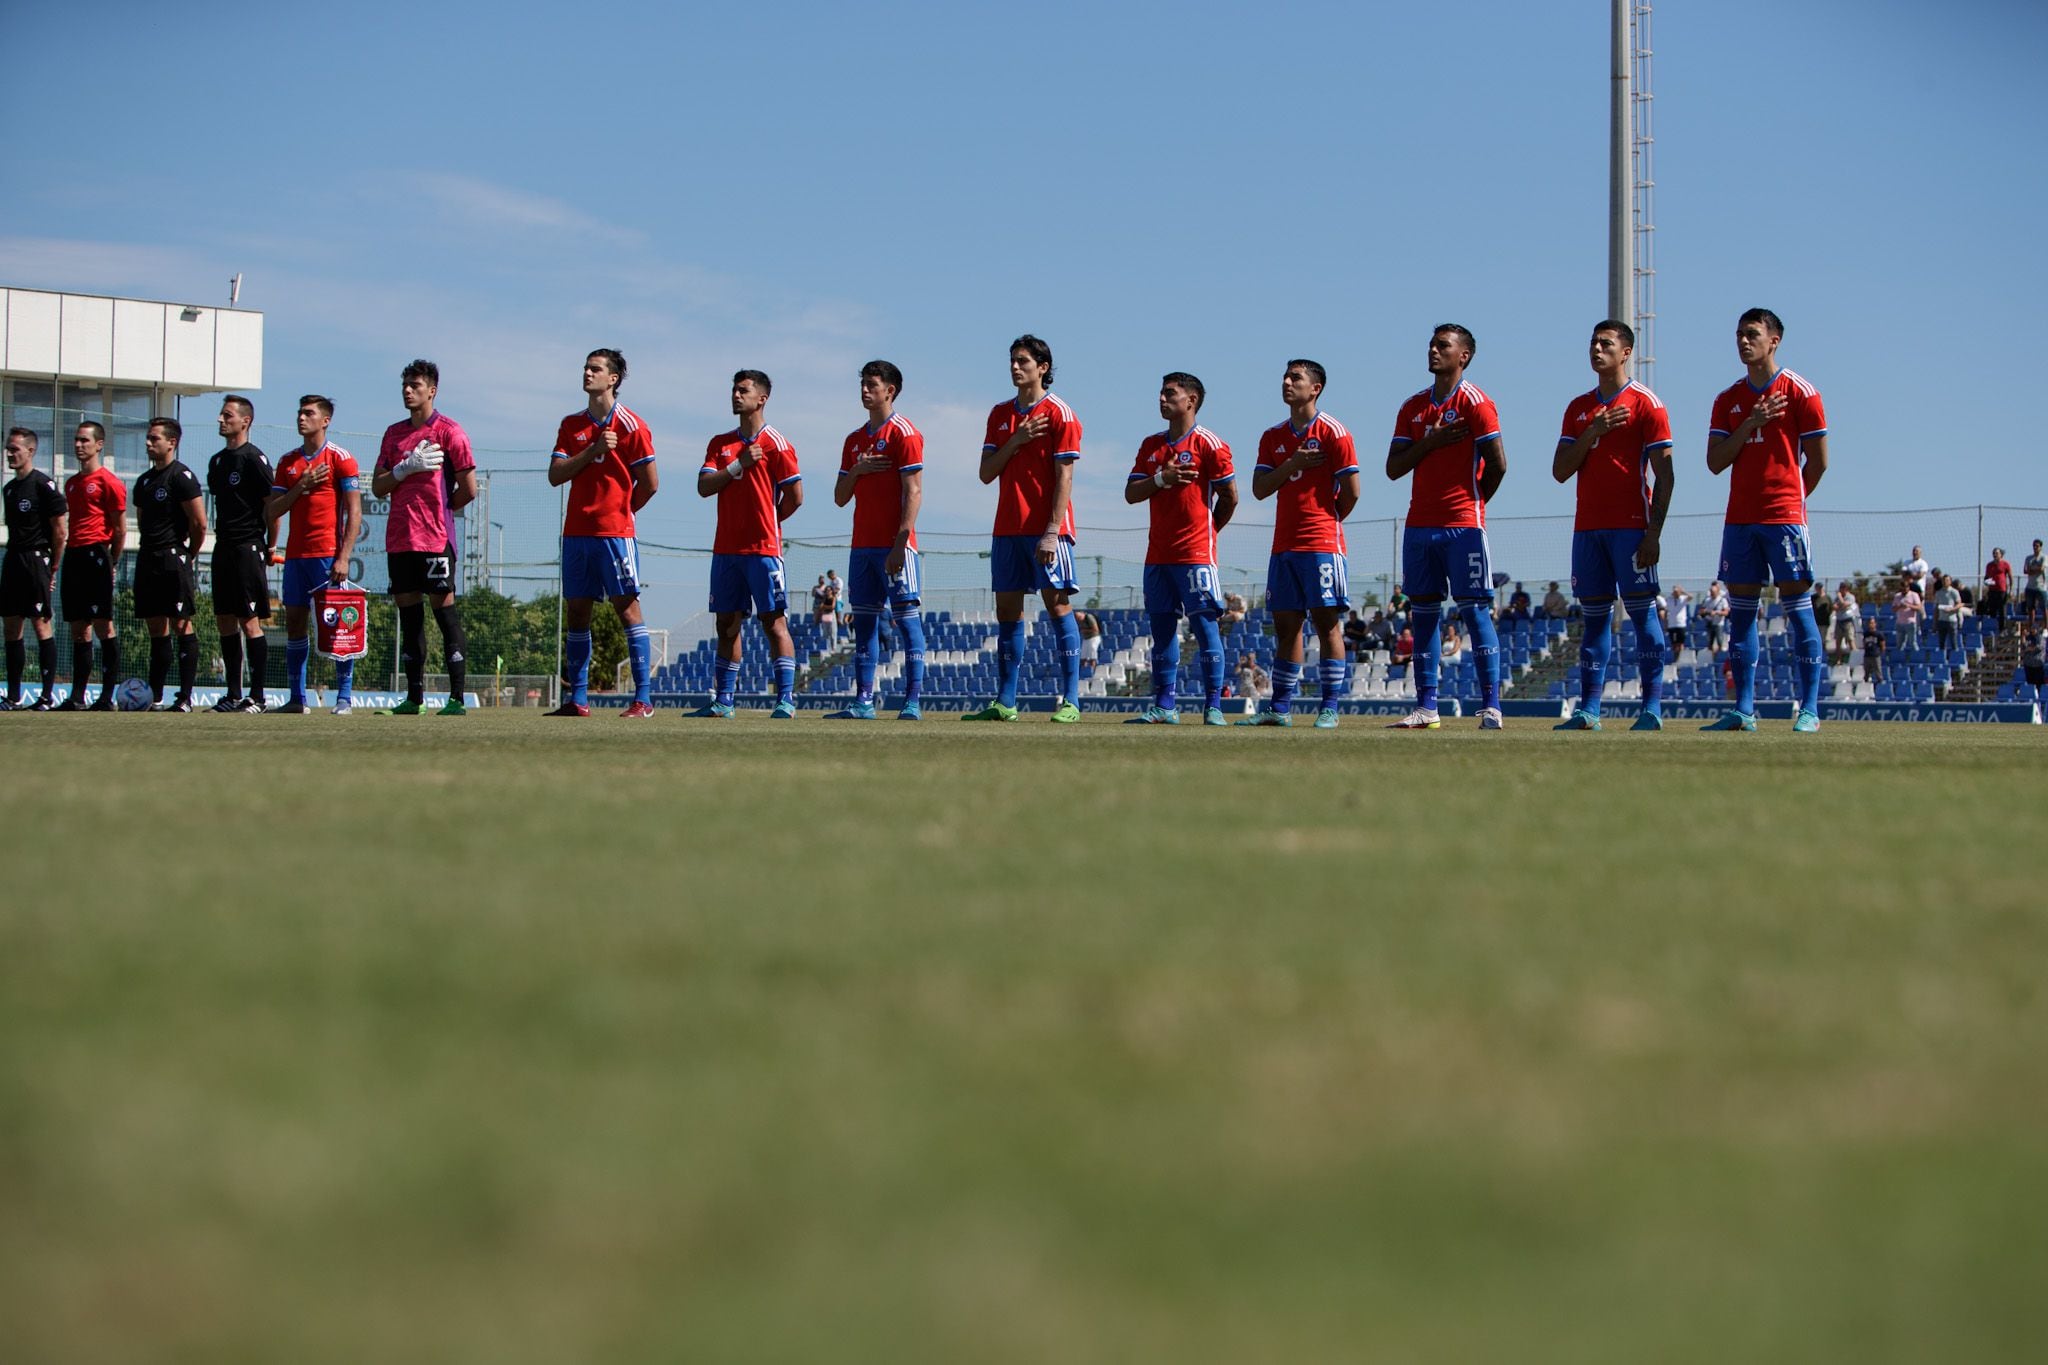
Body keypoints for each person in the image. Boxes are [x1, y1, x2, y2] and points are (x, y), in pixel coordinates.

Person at [1702, 308, 1830, 732]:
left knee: (1798, 609)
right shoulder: (1727, 400)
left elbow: (1819, 462)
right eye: (1738, 334)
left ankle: (1809, 709)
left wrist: (1791, 503)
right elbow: (1715, 462)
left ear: (1774, 340)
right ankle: (1743, 710)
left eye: (1752, 334)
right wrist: (1751, 422)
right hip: (1739, 519)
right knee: (1740, 615)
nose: (1743, 341)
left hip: (1784, 518)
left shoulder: (1801, 392)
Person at [1551, 319, 1676, 731]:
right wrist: (1593, 431)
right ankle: (1589, 711)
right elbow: (1560, 470)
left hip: (1630, 528)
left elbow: (1666, 474)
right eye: (1592, 342)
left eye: (1606, 343)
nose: (1596, 349)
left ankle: (1652, 708)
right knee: (1594, 620)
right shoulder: (1578, 408)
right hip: (1587, 529)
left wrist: (1653, 533)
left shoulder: (1646, 403)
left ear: (1626, 353)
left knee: (1643, 617)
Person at [1385, 325, 1508, 730]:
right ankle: (1427, 707)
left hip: (1463, 526)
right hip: (1419, 525)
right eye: (1432, 344)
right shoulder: (1413, 407)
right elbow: (1394, 468)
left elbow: (1499, 464)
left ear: (1464, 356)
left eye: (1443, 345)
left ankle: (1491, 706)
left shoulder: (1477, 403)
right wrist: (1430, 442)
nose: (1433, 350)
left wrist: (1473, 504)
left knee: (1475, 612)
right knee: (1423, 616)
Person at [964, 334, 1084, 723]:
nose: (1016, 367)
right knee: (1007, 613)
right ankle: (1006, 702)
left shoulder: (1060, 413)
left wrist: (1052, 529)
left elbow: (1065, 475)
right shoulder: (1000, 415)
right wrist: (1015, 440)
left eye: (1023, 362)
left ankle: (1071, 700)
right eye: (1012, 361)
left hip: (1047, 529)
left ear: (1042, 368)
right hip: (1007, 528)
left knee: (1058, 605)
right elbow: (986, 473)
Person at [1239, 359, 1357, 729]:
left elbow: (1352, 493)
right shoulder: (1272, 437)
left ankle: (1330, 707)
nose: (1287, 382)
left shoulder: (1335, 432)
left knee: (1326, 625)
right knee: (1287, 628)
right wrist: (1292, 463)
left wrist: (1326, 521)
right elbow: (1259, 489)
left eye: (1296, 378)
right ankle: (1281, 708)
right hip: (1283, 545)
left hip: (1321, 543)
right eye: (1285, 377)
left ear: (1315, 388)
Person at [1121, 372, 1238, 726]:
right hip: (1157, 555)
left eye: (1170, 393)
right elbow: (1131, 494)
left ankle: (1213, 706)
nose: (1161, 398)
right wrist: (1162, 479)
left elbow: (1230, 497)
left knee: (1205, 628)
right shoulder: (1150, 446)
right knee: (1162, 632)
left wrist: (1209, 531)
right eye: (1160, 392)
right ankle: (1165, 706)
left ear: (1191, 400)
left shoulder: (1209, 444)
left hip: (1195, 555)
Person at [547, 349, 658, 719]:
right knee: (577, 611)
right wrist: (592, 450)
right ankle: (578, 699)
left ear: (613, 379)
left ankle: (643, 700)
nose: (586, 373)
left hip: (615, 534)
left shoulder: (632, 425)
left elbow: (651, 483)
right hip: (576, 532)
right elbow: (556, 475)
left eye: (595, 368)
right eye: (585, 367)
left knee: (626, 609)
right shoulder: (570, 424)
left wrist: (621, 513)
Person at [372, 359, 478, 715]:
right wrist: (404, 469)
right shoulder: (393, 434)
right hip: (400, 539)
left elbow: (470, 489)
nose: (407, 391)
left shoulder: (451, 432)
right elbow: (377, 486)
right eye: (405, 385)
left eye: (415, 385)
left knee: (444, 613)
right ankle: (414, 698)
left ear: (431, 390)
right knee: (409, 617)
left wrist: (443, 508)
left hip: (434, 539)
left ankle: (456, 698)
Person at [697, 369, 802, 717]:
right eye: (734, 390)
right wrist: (736, 467)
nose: (735, 395)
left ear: (762, 398)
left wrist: (767, 524)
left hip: (763, 551)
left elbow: (795, 497)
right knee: (726, 625)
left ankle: (785, 699)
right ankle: (723, 701)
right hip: (726, 551)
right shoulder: (720, 444)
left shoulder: (777, 444)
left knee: (774, 623)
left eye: (743, 390)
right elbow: (704, 486)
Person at [829, 359, 926, 720]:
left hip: (895, 546)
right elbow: (840, 497)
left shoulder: (904, 433)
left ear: (891, 390)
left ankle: (912, 702)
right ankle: (863, 702)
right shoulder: (854, 440)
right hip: (861, 547)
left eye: (872, 384)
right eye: (863, 384)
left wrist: (901, 542)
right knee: (865, 624)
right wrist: (857, 470)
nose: (865, 390)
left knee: (907, 621)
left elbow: (914, 491)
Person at [266, 395, 362, 714]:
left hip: (327, 556)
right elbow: (272, 511)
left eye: (309, 413)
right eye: (300, 412)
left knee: (338, 627)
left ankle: (344, 698)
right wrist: (301, 487)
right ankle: (298, 699)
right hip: (295, 557)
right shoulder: (287, 462)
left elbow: (354, 512)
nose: (301, 418)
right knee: (295, 624)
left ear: (325, 420)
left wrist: (344, 556)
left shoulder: (340, 458)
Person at [132, 417, 207, 710]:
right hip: (147, 558)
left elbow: (199, 522)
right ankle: (156, 696)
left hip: (173, 558)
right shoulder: (144, 482)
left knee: (181, 624)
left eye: (154, 439)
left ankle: (185, 697)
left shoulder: (181, 476)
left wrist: (189, 553)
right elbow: (141, 521)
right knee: (156, 629)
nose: (149, 443)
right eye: (148, 439)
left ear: (171, 442)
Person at [51, 423, 127, 710]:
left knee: (103, 626)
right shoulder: (71, 484)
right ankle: (77, 696)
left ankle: (107, 696)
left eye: (85, 440)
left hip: (97, 553)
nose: (79, 445)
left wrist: (113, 560)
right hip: (74, 554)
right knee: (77, 628)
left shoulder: (109, 482)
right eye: (76, 440)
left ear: (99, 445)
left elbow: (119, 529)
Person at [206, 396, 274, 712]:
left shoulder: (254, 460)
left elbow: (272, 506)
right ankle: (233, 694)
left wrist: (270, 546)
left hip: (249, 547)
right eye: (220, 414)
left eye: (227, 415)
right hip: (223, 547)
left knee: (250, 621)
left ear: (245, 421)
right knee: (224, 619)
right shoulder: (217, 462)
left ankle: (257, 696)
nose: (221, 419)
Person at [2, 427, 66, 710]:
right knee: (11, 626)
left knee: (41, 624)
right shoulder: (9, 489)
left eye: (15, 449)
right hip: (13, 559)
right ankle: (13, 696)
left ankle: (46, 697)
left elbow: (60, 531)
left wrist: (52, 566)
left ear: (30, 451)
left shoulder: (44, 485)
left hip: (36, 560)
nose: (9, 454)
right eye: (8, 448)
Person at [1829, 582, 1860, 664]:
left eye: (1842, 588)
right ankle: (1839, 660)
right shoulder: (1837, 598)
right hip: (1839, 621)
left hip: (1848, 621)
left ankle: (1856, 660)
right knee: (1838, 642)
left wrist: (1840, 598)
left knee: (1850, 640)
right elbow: (1834, 607)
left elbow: (1845, 605)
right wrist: (1841, 606)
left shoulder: (1850, 597)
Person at [1891, 575, 1923, 654]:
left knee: (1912, 642)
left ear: (1908, 588)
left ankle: (1916, 657)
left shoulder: (1914, 595)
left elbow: (1919, 607)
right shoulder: (1897, 596)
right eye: (1903, 588)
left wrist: (1909, 606)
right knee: (1899, 644)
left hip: (1910, 622)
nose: (1904, 590)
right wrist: (1899, 607)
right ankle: (1899, 659)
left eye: (1906, 588)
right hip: (1900, 622)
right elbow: (1893, 609)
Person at [1932, 573, 1962, 651]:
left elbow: (1959, 604)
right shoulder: (1939, 593)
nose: (1945, 582)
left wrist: (1952, 609)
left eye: (1947, 580)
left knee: (1953, 643)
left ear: (1950, 581)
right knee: (1941, 643)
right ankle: (1943, 660)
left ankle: (1955, 659)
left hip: (1951, 620)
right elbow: (1936, 608)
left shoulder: (1954, 592)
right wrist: (1935, 622)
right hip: (1942, 620)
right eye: (1944, 580)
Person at [1983, 548, 2012, 625]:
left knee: (2002, 609)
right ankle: (1993, 626)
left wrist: (2010, 590)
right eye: (1993, 553)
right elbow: (1986, 578)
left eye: (1996, 553)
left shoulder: (2005, 564)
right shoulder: (1989, 565)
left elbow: (2010, 577)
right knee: (1992, 610)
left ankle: (2002, 628)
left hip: (2002, 590)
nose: (1995, 554)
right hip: (1992, 590)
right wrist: (1988, 582)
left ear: (2001, 554)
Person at [1666, 584, 1693, 656]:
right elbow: (1666, 610)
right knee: (1674, 644)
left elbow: (1691, 597)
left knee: (1680, 643)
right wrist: (1666, 624)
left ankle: (1680, 658)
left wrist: (1683, 591)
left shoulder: (1683, 598)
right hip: (1672, 624)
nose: (1676, 593)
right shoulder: (1669, 599)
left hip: (1681, 624)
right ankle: (1674, 657)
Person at [1703, 580, 1730, 651]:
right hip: (1710, 623)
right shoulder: (1707, 600)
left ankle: (1719, 657)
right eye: (1711, 593)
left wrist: (1717, 612)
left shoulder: (1723, 600)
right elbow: (1702, 611)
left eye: (1713, 593)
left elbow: (1726, 612)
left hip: (1719, 624)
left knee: (1719, 641)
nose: (1712, 594)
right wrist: (1708, 612)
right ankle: (1711, 657)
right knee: (1710, 643)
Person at [2023, 540, 2045, 625]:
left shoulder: (2044, 557)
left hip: (2041, 587)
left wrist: (2031, 570)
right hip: (2030, 586)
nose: (2035, 547)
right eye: (2034, 546)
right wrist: (2036, 570)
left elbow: (2041, 569)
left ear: (2040, 547)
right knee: (2030, 608)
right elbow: (2025, 570)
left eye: (2037, 546)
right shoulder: (2028, 558)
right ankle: (2031, 625)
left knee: (2044, 608)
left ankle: (2046, 627)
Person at [1861, 619, 1887, 685]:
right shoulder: (1866, 634)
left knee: (1878, 670)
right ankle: (1866, 682)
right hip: (1867, 655)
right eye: (1870, 623)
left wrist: (1880, 653)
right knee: (1866, 671)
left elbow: (1883, 645)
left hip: (1875, 655)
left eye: (1872, 623)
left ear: (1875, 624)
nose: (1871, 625)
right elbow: (1864, 643)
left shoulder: (1879, 634)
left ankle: (1880, 681)